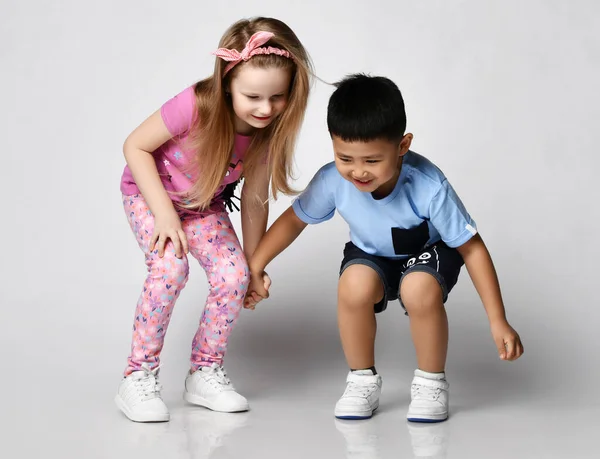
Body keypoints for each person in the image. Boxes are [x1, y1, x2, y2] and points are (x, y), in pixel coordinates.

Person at [245, 74, 523, 422]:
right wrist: (254, 266)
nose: (358, 172)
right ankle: (361, 380)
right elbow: (294, 220)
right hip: (372, 254)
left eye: (372, 161)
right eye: (345, 158)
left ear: (402, 146)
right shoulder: (333, 179)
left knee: (417, 289)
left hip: (427, 253)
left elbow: (473, 248)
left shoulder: (428, 185)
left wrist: (498, 320)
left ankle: (430, 382)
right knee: (353, 285)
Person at [114, 17, 313, 423]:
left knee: (234, 275)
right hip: (153, 198)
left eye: (277, 97)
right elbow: (135, 146)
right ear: (226, 82)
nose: (266, 108)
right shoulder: (197, 104)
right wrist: (165, 217)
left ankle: (204, 370)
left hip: (204, 205)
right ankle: (137, 377)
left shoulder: (267, 132)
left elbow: (255, 200)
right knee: (170, 269)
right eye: (253, 96)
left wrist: (257, 266)